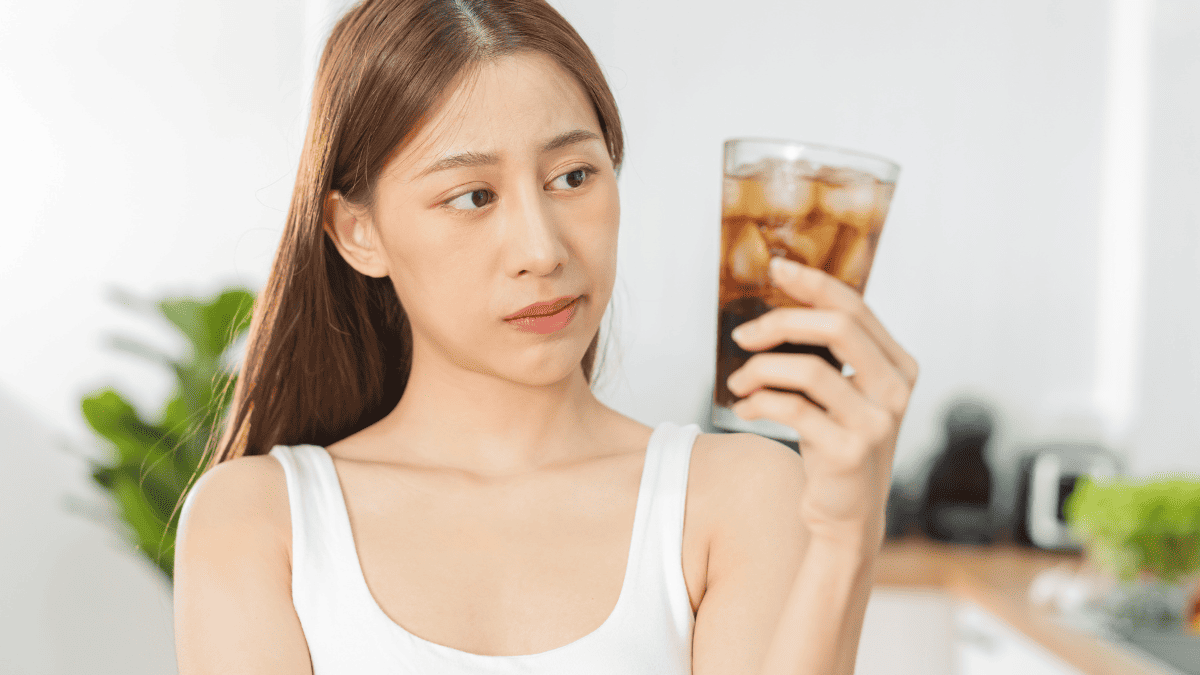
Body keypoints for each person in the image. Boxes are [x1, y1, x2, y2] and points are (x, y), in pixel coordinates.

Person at [172, 0, 919, 673]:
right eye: (473, 195)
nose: (544, 248)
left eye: (572, 177)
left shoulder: (739, 494)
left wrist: (847, 540)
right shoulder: (260, 523)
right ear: (358, 232)